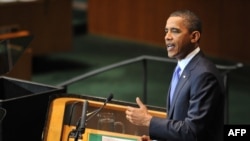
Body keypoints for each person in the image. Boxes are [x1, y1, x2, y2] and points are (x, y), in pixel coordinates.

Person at [125, 9, 225, 141]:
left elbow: (192, 132)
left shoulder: (204, 75)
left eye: (175, 31)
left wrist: (148, 120)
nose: (167, 37)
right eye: (166, 31)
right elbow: (178, 120)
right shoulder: (181, 67)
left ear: (194, 37)